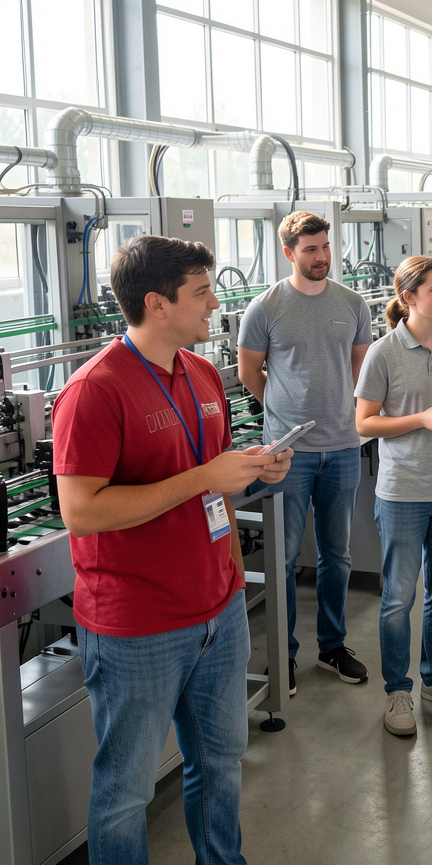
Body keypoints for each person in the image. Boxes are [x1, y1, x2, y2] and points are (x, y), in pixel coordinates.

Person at [52, 235, 292, 864]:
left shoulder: (203, 373)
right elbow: (79, 513)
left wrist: (249, 472)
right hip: (138, 628)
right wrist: (206, 479)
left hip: (219, 607)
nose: (215, 304)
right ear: (156, 304)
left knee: (221, 765)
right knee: (126, 792)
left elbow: (207, 480)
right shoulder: (94, 391)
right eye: (202, 292)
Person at [238, 211, 371, 697]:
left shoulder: (353, 304)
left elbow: (361, 369)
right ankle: (284, 656)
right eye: (310, 249)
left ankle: (332, 646)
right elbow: (250, 371)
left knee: (337, 554)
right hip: (285, 455)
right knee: (286, 555)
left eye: (325, 247)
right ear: (290, 253)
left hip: (341, 446)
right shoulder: (266, 307)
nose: (321, 257)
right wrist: (280, 410)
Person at [354, 256, 432, 737]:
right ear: (409, 297)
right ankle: (396, 691)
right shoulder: (384, 353)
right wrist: (421, 419)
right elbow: (364, 423)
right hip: (403, 491)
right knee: (397, 598)